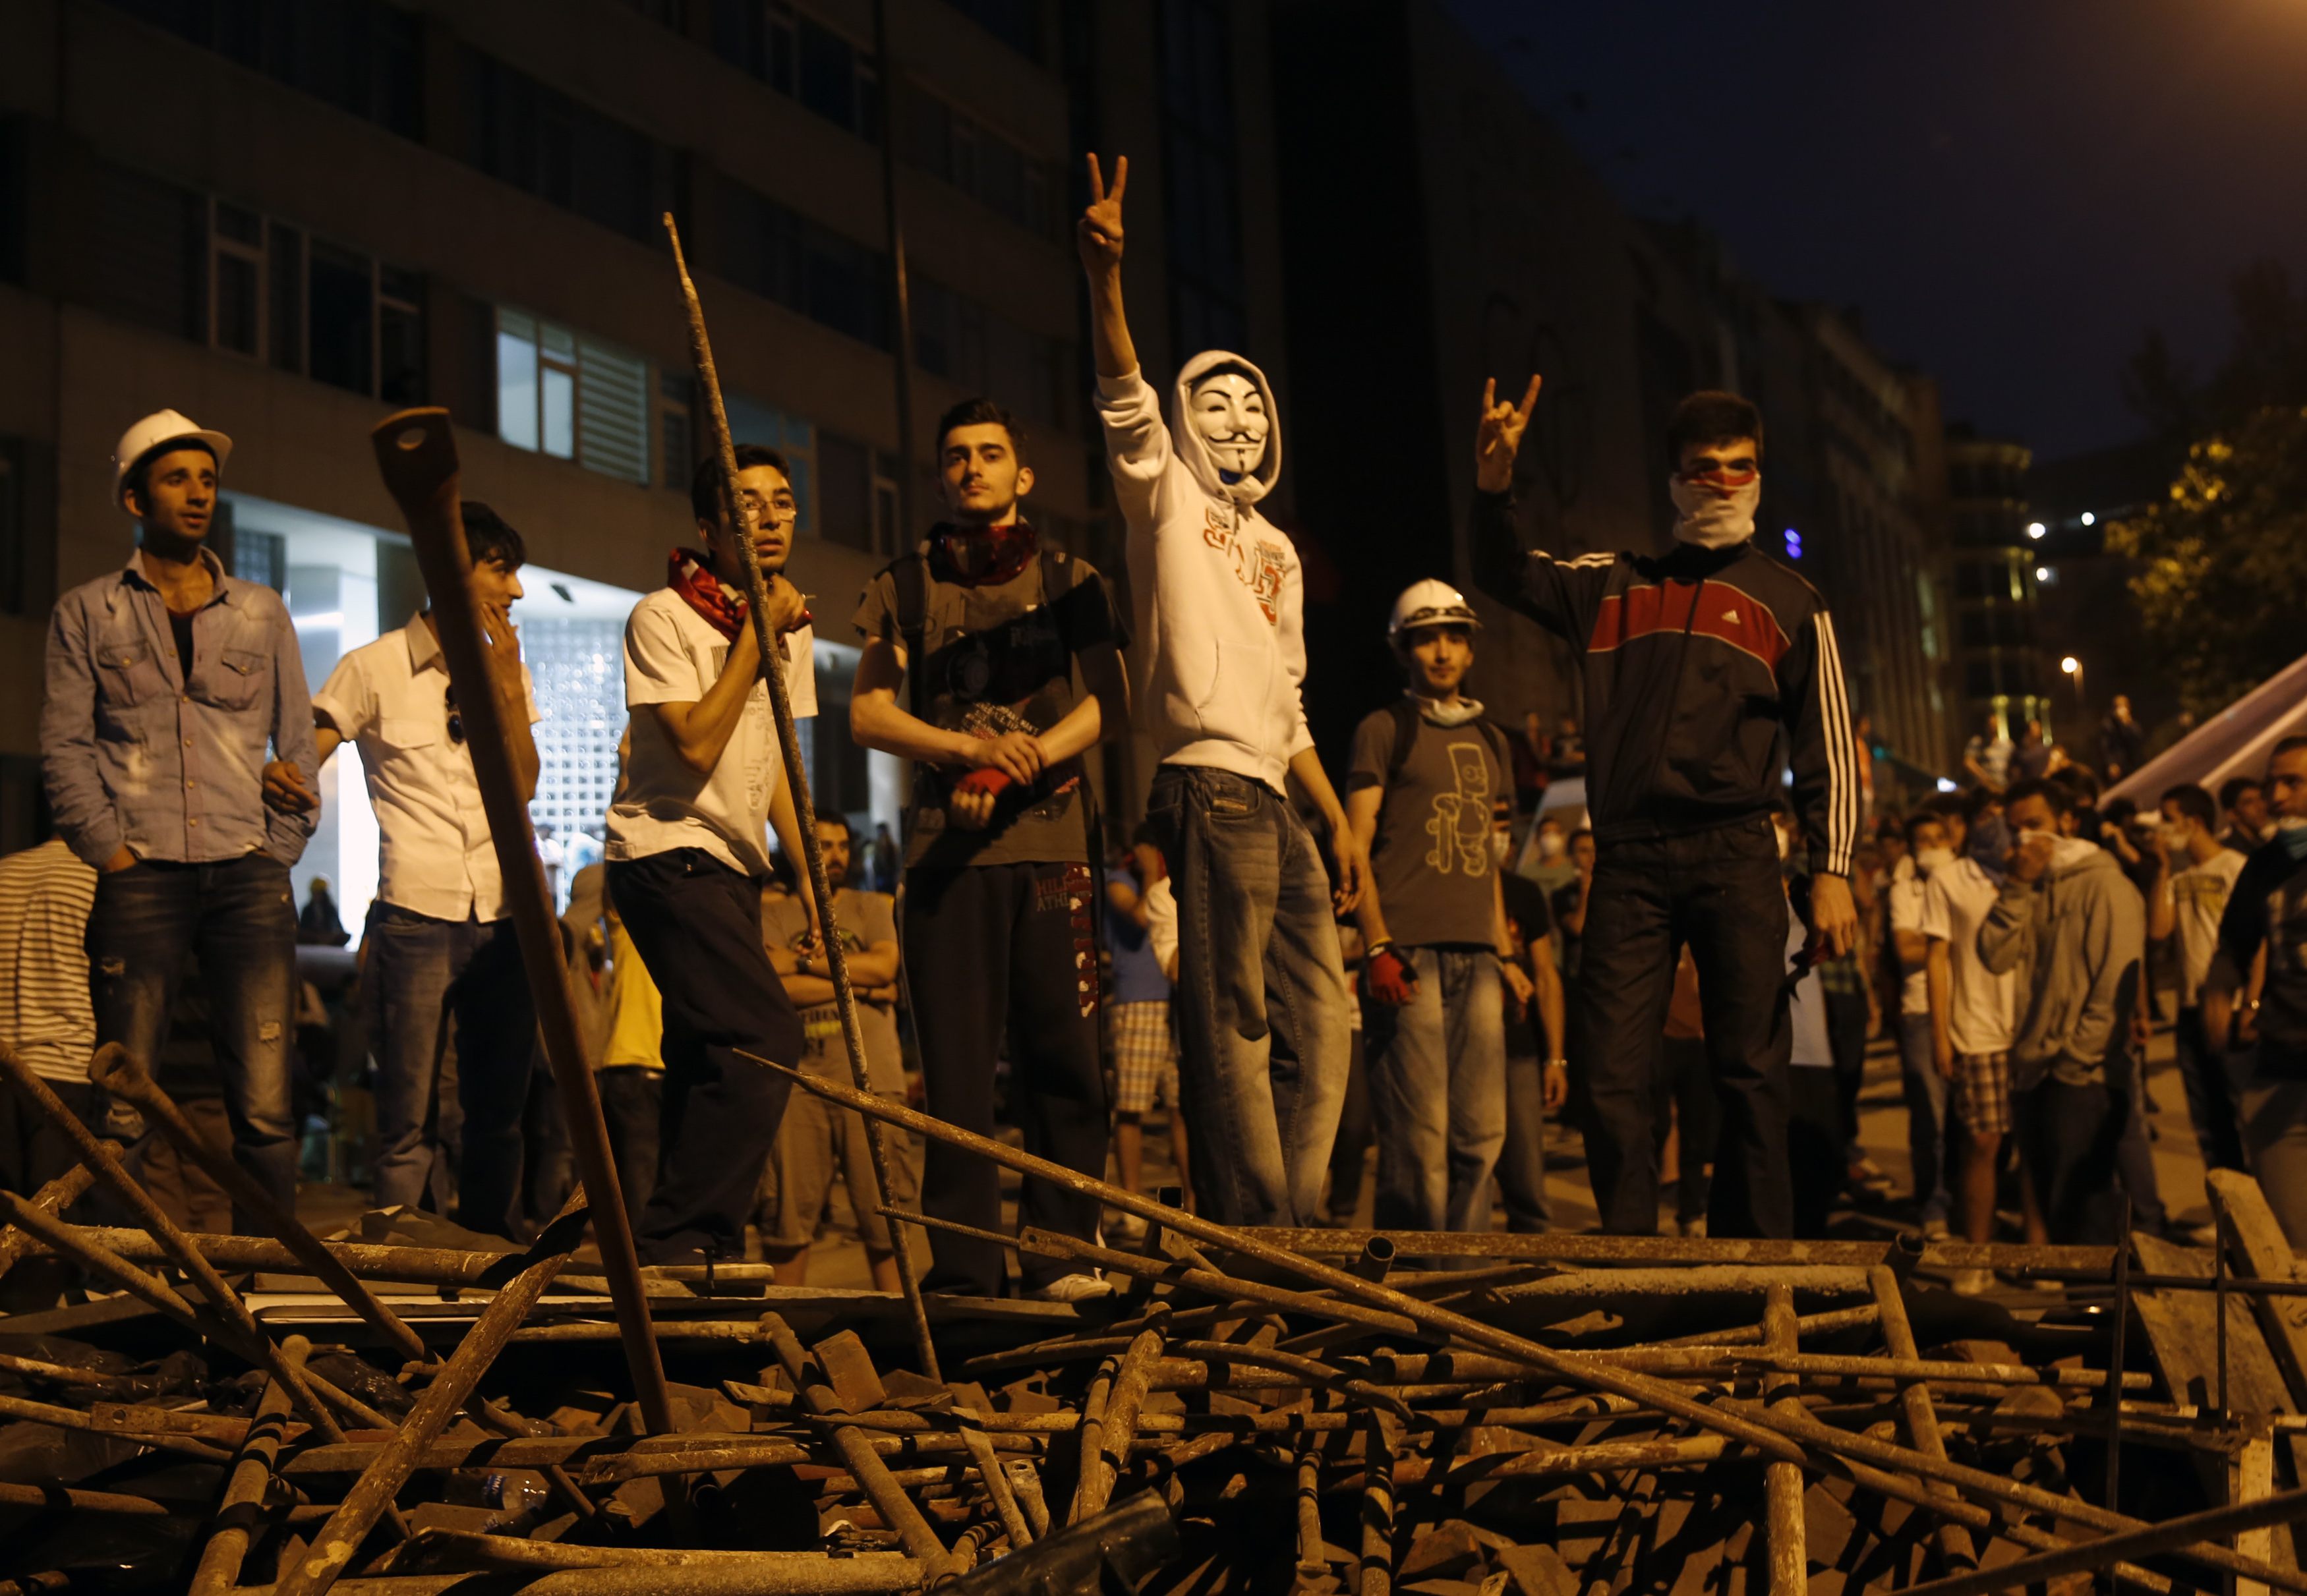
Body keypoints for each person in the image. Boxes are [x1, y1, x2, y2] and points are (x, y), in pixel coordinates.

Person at [1471, 380, 1859, 1238]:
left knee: (1752, 1074)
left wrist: (1832, 872)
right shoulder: (1613, 585)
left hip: (1738, 854)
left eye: (1739, 468)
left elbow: (1826, 747)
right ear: (1674, 480)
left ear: (1760, 476)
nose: (1721, 484)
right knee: (1610, 1075)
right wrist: (1495, 486)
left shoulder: (1794, 603)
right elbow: (1506, 573)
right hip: (1630, 862)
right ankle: (1634, 1264)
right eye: (1703, 470)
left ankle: (1763, 1276)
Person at [1082, 152, 1362, 1228]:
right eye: (1218, 400)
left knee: (1324, 1023)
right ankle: (1259, 1234)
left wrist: (1333, 818)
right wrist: (1106, 282)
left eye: (1253, 405)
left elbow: (1290, 699)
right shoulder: (1164, 503)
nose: (1239, 419)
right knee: (1232, 1022)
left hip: (1281, 802)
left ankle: (1293, 1211)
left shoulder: (1280, 551)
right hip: (1206, 785)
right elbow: (1123, 402)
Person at [850, 397, 1128, 1299]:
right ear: (941, 475)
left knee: (1067, 1065)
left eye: (993, 453)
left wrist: (1026, 762)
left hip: (1054, 853)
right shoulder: (906, 584)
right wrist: (967, 749)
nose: (975, 467)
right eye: (959, 455)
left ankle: (1060, 1255)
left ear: (1023, 474)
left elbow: (1112, 705)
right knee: (959, 1079)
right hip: (944, 862)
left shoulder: (1071, 577)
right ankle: (965, 1269)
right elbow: (866, 712)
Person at [40, 409, 317, 1229]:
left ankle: (274, 1277)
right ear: (135, 496)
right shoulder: (88, 611)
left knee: (265, 1107)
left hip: (245, 870)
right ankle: (124, 1278)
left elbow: (296, 745)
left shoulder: (262, 612)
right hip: (143, 871)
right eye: (176, 478)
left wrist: (278, 854)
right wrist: (111, 853)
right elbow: (62, 746)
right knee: (124, 1101)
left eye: (207, 479)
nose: (198, 493)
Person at [604, 445, 817, 1266]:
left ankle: (692, 1244)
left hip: (733, 865)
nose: (768, 518)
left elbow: (768, 773)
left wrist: (808, 875)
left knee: (705, 1057)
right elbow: (694, 746)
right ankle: (681, 1237)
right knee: (764, 1036)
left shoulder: (781, 634)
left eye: (783, 502)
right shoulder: (661, 616)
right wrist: (754, 647)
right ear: (709, 527)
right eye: (745, 505)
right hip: (665, 852)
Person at [308, 503, 541, 1240]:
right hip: (413, 912)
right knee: (406, 1118)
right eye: (501, 569)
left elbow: (526, 785)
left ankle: (488, 1263)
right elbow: (304, 749)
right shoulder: (372, 666)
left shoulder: (507, 671)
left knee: (498, 1113)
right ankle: (397, 1266)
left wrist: (504, 688)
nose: (517, 591)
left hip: (504, 915)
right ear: (450, 569)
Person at [1346, 582, 1535, 1234]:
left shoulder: (1491, 740)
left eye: (1454, 636)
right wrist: (1375, 944)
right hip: (1408, 953)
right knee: (1418, 1137)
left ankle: (1462, 1281)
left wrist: (1504, 952)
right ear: (1403, 649)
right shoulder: (1382, 730)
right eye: (1426, 638)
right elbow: (1355, 846)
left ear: (1470, 647)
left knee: (1481, 1132)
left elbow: (1486, 858)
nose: (1442, 651)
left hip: (1477, 958)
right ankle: (1413, 1286)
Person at [1978, 777, 2145, 1244]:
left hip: (2081, 1077)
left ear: (2068, 822)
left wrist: (2076, 1062)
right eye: (2016, 830)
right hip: (2033, 1072)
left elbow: (2115, 985)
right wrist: (2016, 887)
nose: (2025, 839)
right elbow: (1993, 955)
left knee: (2085, 1212)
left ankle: (2099, 1310)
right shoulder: (2030, 886)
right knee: (2057, 1209)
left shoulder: (2104, 885)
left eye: (2036, 825)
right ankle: (2082, 1306)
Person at [757, 814, 919, 1294]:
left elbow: (886, 965)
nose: (837, 855)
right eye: (823, 845)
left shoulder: (873, 906)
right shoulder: (769, 913)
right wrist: (865, 990)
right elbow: (771, 989)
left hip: (873, 1078)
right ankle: (783, 1336)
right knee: (787, 1220)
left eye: (844, 846)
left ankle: (898, 1332)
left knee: (887, 1220)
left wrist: (803, 964)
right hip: (796, 1082)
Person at [2206, 737, 2307, 1244]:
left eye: (2294, 782)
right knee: (2293, 1241)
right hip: (2282, 1068)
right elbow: (2235, 944)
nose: (2277, 796)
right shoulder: (2267, 864)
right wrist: (2220, 996)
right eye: (2272, 783)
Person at [1919, 791, 2021, 1293]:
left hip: (2031, 1028)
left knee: (2037, 1147)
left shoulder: (2034, 872)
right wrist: (1941, 1035)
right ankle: (1975, 1253)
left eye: (2008, 815)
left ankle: (2036, 1254)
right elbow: (1938, 957)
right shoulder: (1950, 879)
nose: (1999, 824)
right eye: (1988, 815)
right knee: (1982, 1143)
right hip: (1976, 1029)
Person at [0, 835, 100, 1303]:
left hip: (4, 1065)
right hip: (63, 1065)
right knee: (50, 1227)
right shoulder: (98, 876)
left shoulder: (7, 871)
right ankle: (29, 1347)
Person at [2152, 782, 2246, 1176]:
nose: (2162, 829)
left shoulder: (2235, 867)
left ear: (2195, 822)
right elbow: (2159, 930)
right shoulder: (2177, 877)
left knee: (2239, 1110)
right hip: (2190, 1007)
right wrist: (2162, 867)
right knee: (2204, 1116)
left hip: (2229, 1006)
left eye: (2168, 820)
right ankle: (2225, 1206)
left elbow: (2250, 940)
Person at [1106, 826, 1189, 1226]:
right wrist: (1147, 873)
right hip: (1137, 1001)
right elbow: (1140, 916)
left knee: (1181, 1107)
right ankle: (1131, 1207)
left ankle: (1191, 1201)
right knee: (1132, 1108)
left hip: (1176, 1001)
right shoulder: (1119, 881)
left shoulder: (1175, 884)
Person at [1887, 812, 1953, 1238]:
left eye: (1937, 839)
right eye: (1921, 841)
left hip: (1964, 1008)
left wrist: (1932, 942)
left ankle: (1964, 1197)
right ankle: (1933, 1205)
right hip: (1919, 1012)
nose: (1929, 847)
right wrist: (1948, 941)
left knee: (1968, 1118)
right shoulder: (1905, 884)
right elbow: (1906, 949)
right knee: (1930, 1114)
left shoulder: (1964, 877)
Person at [1497, 855, 1568, 1233]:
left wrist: (1556, 1060)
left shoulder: (1522, 891)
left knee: (1527, 1176)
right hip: (1462, 1049)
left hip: (1518, 1050)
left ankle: (1532, 1273)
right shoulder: (1448, 892)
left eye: (1507, 822)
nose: (1499, 833)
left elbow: (1545, 976)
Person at [2099, 694, 2146, 782]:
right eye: (2119, 707)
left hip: (2136, 761)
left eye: (2124, 706)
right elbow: (2107, 747)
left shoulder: (2131, 722)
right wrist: (2112, 764)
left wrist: (2127, 723)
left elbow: (2138, 738)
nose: (2123, 710)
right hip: (2122, 766)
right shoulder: (2109, 725)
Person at [2220, 777, 2272, 854]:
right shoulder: (2232, 852)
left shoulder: (2260, 842)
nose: (2261, 807)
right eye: (2249, 802)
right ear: (2232, 814)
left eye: (2261, 799)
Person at [1963, 716, 2014, 793]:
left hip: (2002, 785)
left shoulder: (2007, 745)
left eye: (1995, 725)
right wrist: (1985, 778)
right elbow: (1968, 762)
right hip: (1985, 788)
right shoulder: (1977, 742)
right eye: (1991, 725)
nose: (1993, 728)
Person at [298, 877, 349, 948]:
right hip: (314, 936)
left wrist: (330, 935)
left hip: (329, 936)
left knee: (345, 936)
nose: (317, 895)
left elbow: (339, 927)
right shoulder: (307, 909)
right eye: (315, 892)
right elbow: (302, 928)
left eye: (319, 893)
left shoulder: (331, 909)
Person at [2012, 720, 2053, 784]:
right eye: (2035, 728)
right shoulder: (2020, 751)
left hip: (2044, 784)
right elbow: (2016, 772)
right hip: (2027, 786)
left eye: (2038, 728)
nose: (2038, 730)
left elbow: (2051, 765)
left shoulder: (2045, 749)